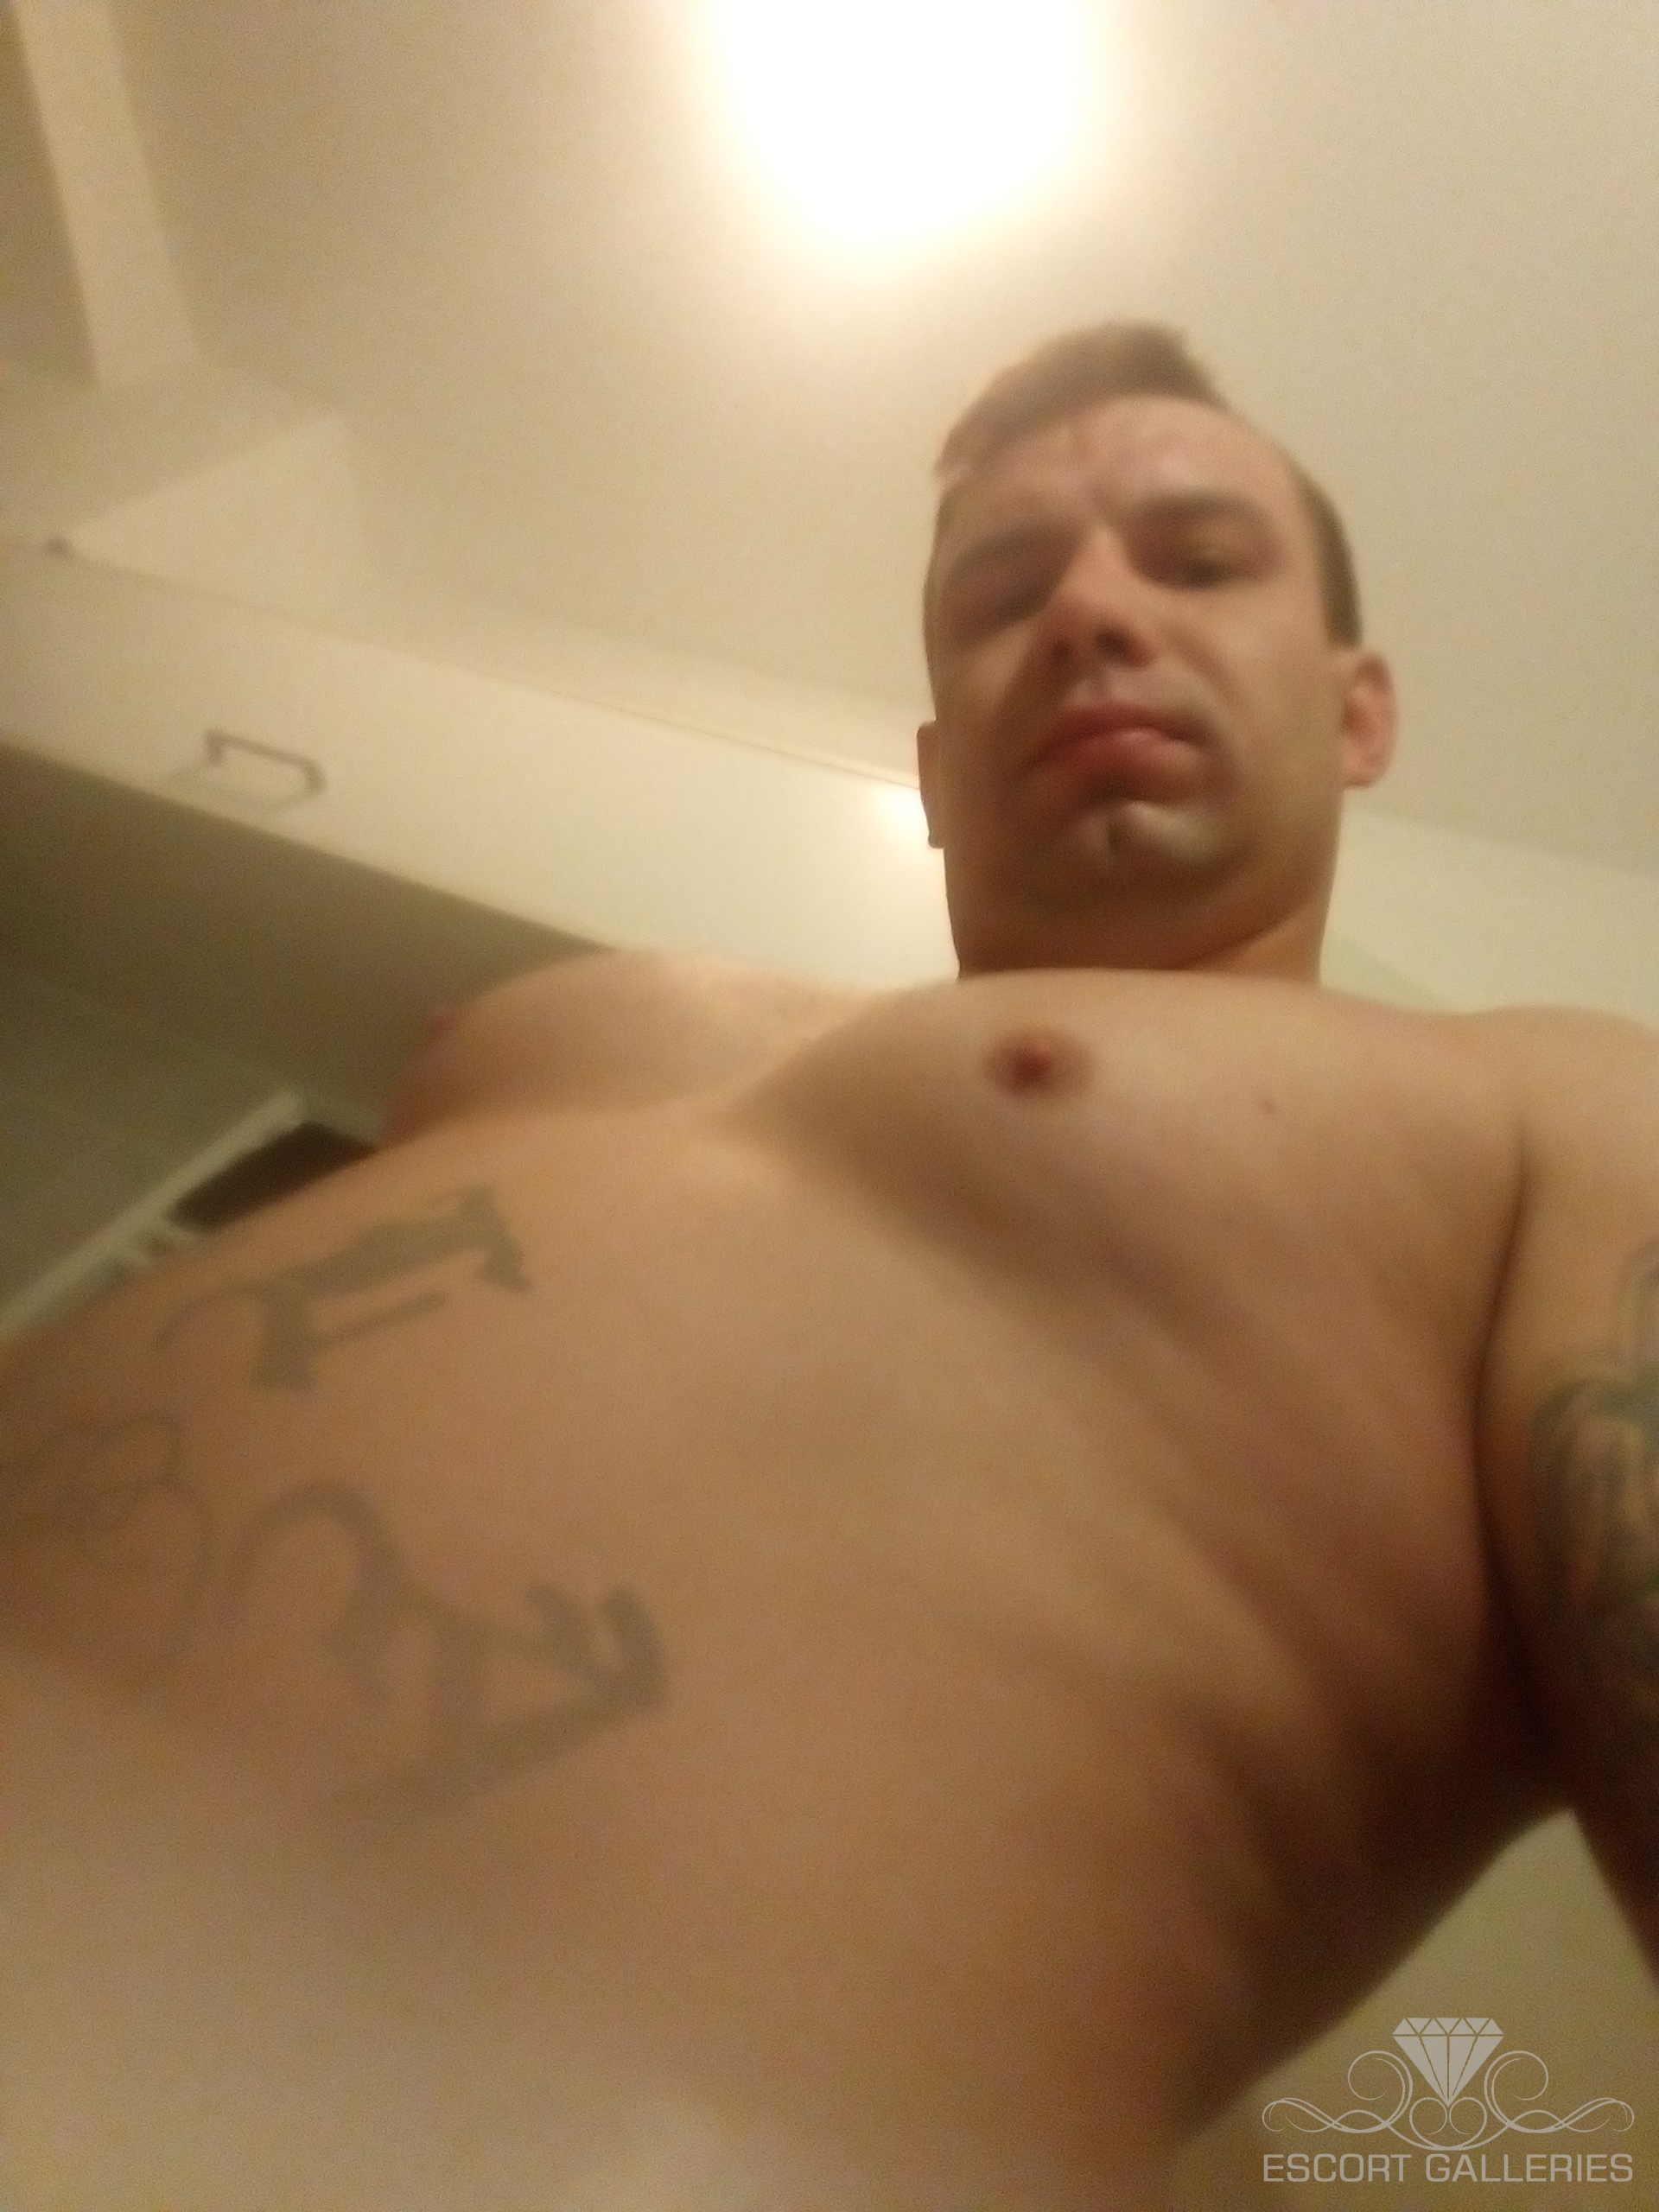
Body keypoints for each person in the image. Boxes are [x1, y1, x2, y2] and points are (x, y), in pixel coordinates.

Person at [1, 322, 1655, 2210]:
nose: (1090, 612)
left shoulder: (1555, 1101)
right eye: (1005, 592)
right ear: (935, 769)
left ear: (1360, 712)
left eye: (1198, 562)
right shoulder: (594, 1022)